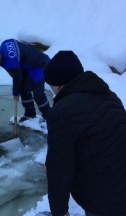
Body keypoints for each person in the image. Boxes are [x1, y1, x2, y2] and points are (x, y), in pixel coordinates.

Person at [43, 50, 126, 216]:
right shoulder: (109, 96)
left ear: (57, 85)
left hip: (104, 201)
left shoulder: (60, 113)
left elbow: (59, 169)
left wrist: (59, 211)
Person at [0, 39, 51, 122]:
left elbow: (17, 77)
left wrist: (15, 93)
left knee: (38, 93)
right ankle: (30, 114)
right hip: (32, 66)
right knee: (23, 89)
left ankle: (49, 117)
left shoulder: (9, 62)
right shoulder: (5, 43)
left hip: (41, 65)